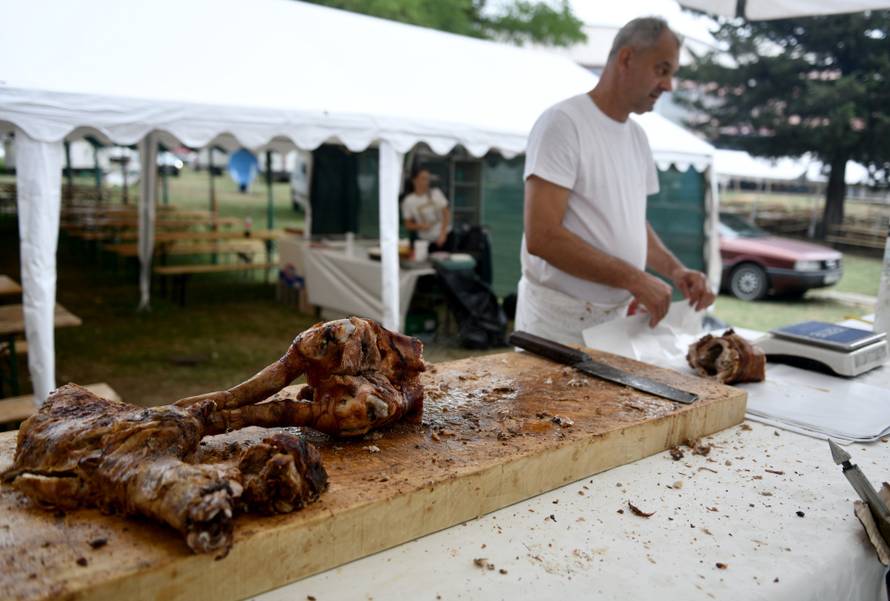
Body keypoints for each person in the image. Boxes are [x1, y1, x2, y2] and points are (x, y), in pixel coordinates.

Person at [516, 16, 715, 346]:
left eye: (672, 74)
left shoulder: (637, 137)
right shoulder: (563, 123)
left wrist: (676, 270)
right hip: (557, 324)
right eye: (662, 69)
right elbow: (542, 236)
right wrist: (635, 278)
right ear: (626, 58)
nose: (668, 85)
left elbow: (633, 225)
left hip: (615, 323)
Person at [402, 166, 452, 252]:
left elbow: (446, 214)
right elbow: (408, 224)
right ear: (414, 180)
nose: (426, 182)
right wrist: (420, 226)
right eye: (423, 179)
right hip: (425, 241)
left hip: (445, 238)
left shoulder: (436, 193)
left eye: (427, 179)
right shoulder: (408, 201)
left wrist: (443, 234)